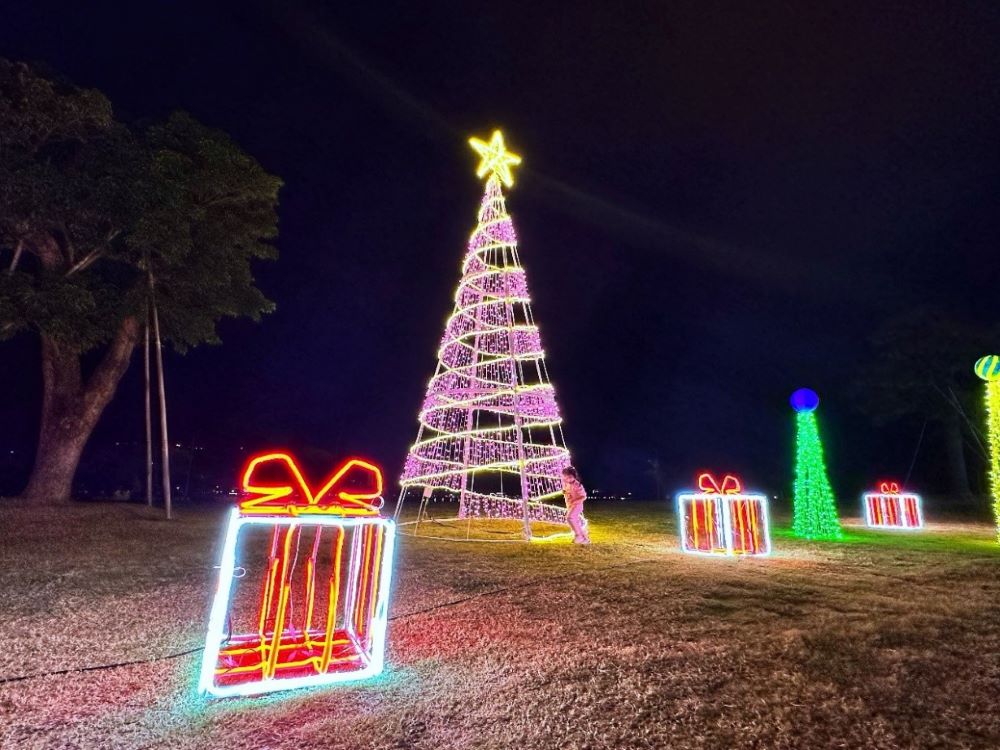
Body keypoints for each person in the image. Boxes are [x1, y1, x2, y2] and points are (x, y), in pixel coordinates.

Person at [561, 466, 590, 544]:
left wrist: (575, 501)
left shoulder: (578, 485)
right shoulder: (567, 484)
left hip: (577, 505)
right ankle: (584, 538)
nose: (568, 478)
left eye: (570, 477)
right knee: (576, 521)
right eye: (566, 477)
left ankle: (579, 535)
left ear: (574, 476)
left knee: (570, 518)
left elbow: (584, 496)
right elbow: (567, 491)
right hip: (571, 505)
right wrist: (565, 492)